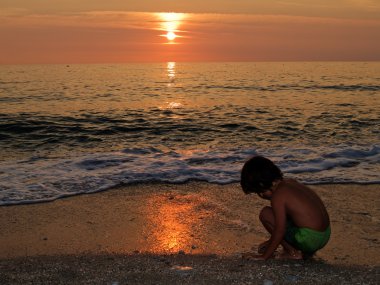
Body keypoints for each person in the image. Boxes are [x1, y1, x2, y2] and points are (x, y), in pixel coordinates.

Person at [240, 156, 331, 260]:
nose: (261, 196)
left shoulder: (278, 196)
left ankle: (292, 252)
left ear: (262, 184)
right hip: (324, 235)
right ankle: (299, 249)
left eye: (259, 192)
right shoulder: (291, 182)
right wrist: (271, 242)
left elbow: (280, 230)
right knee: (286, 218)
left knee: (265, 214)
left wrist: (264, 256)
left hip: (309, 238)